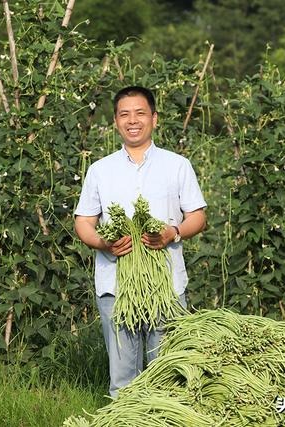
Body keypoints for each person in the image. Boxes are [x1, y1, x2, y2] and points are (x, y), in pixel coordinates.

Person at [73, 86, 207, 397]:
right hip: (116, 287)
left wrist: (172, 233)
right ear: (116, 122)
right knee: (122, 381)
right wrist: (104, 243)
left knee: (169, 378)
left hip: (168, 288)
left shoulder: (177, 165)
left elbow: (197, 216)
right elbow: (84, 221)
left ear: (154, 119)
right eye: (124, 114)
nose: (133, 120)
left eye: (140, 113)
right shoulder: (100, 170)